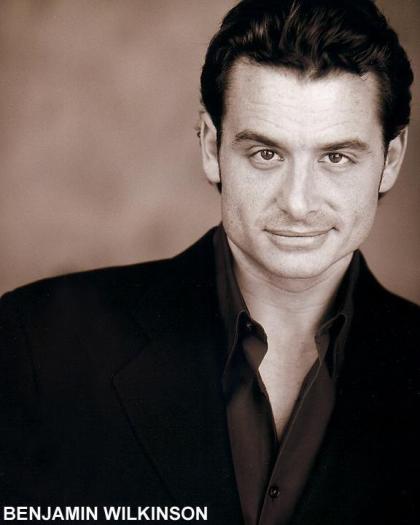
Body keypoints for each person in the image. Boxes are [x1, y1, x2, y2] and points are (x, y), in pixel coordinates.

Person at [0, 0, 418, 524]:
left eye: (336, 157)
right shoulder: (37, 341)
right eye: (266, 154)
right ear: (209, 145)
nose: (298, 202)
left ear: (391, 160)